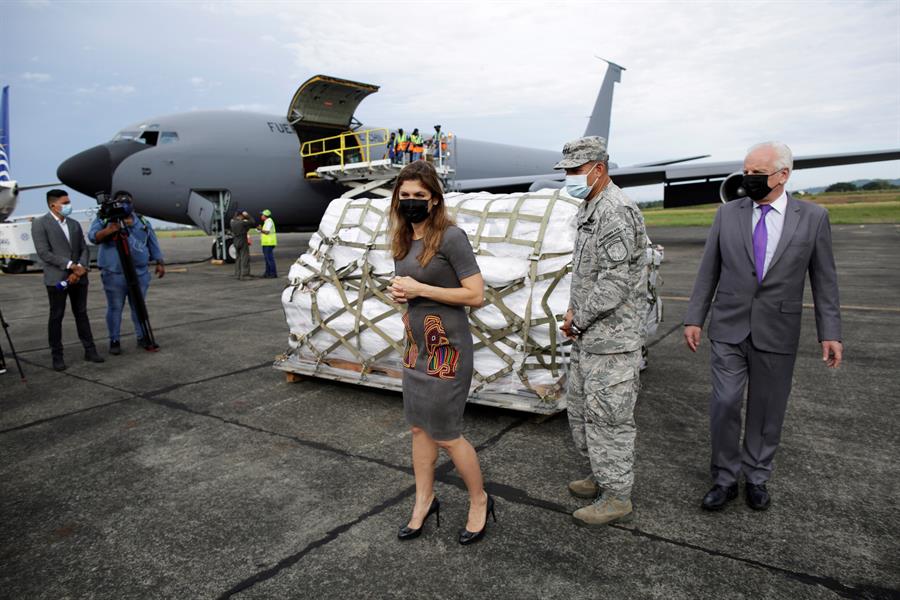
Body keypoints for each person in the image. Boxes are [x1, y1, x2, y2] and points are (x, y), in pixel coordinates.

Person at [684, 141, 842, 512]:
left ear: (783, 175)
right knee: (724, 403)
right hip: (728, 326)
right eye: (746, 172)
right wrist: (694, 317)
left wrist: (830, 332)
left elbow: (825, 279)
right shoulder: (727, 214)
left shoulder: (813, 217)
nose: (749, 179)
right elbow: (709, 269)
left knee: (766, 408)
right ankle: (724, 479)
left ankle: (756, 476)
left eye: (758, 174)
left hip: (777, 328)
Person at [387, 161, 494, 545]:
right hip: (417, 348)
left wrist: (420, 289)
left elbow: (476, 295)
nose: (412, 202)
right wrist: (400, 292)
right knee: (418, 428)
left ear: (433, 200)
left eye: (419, 196)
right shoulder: (402, 240)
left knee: (447, 434)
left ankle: (479, 500)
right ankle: (424, 500)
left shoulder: (451, 238)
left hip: (448, 351)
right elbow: (409, 288)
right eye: (405, 196)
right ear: (397, 199)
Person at [556, 136, 649, 527]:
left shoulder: (615, 210)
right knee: (583, 412)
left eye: (576, 171)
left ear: (598, 168)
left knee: (610, 417)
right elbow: (589, 275)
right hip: (590, 335)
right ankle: (599, 475)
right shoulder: (590, 206)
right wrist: (576, 312)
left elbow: (613, 283)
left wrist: (578, 319)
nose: (570, 178)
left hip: (612, 341)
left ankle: (616, 496)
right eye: (567, 171)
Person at [31, 189, 105, 370]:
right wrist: (72, 265)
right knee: (56, 316)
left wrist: (81, 268)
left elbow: (84, 249)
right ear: (53, 205)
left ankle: (90, 350)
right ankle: (57, 355)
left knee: (81, 314)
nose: (68, 206)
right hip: (57, 278)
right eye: (65, 203)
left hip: (79, 278)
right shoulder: (40, 224)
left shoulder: (74, 224)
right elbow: (44, 253)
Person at [88, 192, 165, 354]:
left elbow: (152, 241)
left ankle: (143, 336)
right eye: (120, 202)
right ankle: (114, 340)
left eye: (127, 201)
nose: (124, 205)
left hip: (139, 272)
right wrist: (110, 230)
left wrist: (159, 261)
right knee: (115, 307)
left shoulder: (142, 221)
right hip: (114, 273)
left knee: (138, 306)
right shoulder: (104, 219)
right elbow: (93, 237)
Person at [230, 210, 255, 280]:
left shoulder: (232, 222)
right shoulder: (242, 223)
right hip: (242, 240)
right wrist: (247, 216)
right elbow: (252, 222)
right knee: (245, 257)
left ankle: (237, 274)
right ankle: (245, 274)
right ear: (240, 216)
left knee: (238, 258)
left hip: (235, 241)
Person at [258, 209, 277, 278]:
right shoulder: (266, 222)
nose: (261, 216)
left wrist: (260, 230)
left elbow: (267, 232)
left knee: (269, 259)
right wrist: (260, 230)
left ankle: (273, 273)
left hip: (269, 243)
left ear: (265, 216)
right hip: (266, 243)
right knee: (267, 259)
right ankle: (267, 273)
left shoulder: (269, 221)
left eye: (262, 215)